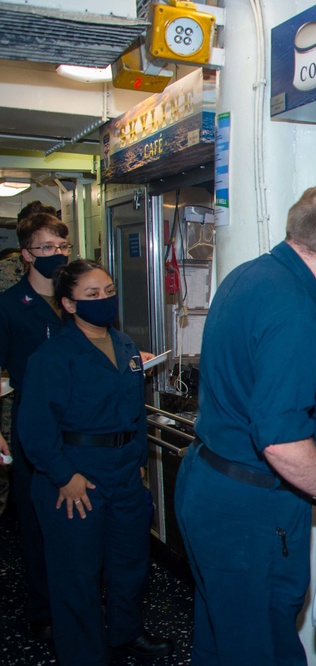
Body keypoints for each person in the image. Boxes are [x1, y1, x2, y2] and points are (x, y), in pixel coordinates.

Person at [174, 184, 316, 665]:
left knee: (223, 638)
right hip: (249, 510)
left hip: (208, 482)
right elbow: (282, 444)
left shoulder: (249, 276)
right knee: (263, 646)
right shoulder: (294, 312)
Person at [16, 260, 174, 664]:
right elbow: (34, 427)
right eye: (91, 295)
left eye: (107, 291)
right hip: (74, 472)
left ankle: (126, 632)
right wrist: (62, 475)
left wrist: (137, 462)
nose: (104, 299)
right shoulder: (52, 356)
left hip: (122, 470)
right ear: (69, 304)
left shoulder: (124, 345)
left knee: (130, 562)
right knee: (77, 573)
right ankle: (84, 653)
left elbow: (133, 411)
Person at [0, 206, 66, 641]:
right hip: (30, 422)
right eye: (45, 248)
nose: (55, 254)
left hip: (78, 423)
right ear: (26, 255)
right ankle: (42, 605)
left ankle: (75, 595)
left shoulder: (77, 298)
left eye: (61, 246)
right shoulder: (9, 306)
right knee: (36, 514)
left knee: (75, 513)